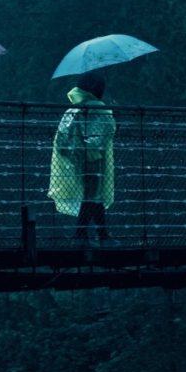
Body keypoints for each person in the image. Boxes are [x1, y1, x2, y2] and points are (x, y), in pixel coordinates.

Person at [48, 71, 118, 247]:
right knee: (93, 195)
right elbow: (102, 135)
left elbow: (62, 139)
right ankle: (85, 235)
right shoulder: (99, 110)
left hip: (78, 159)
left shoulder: (74, 110)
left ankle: (95, 235)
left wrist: (76, 151)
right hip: (94, 160)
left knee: (93, 195)